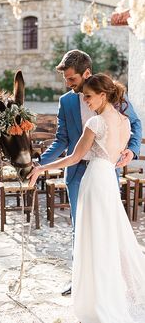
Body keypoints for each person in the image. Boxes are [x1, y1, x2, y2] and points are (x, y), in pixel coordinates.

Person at [27, 73, 145, 323]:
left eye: (89, 97)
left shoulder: (95, 123)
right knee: (109, 237)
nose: (86, 102)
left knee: (93, 239)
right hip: (108, 181)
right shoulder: (124, 121)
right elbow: (119, 147)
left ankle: (99, 300)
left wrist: (40, 168)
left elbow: (73, 157)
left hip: (94, 181)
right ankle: (111, 293)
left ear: (103, 95)